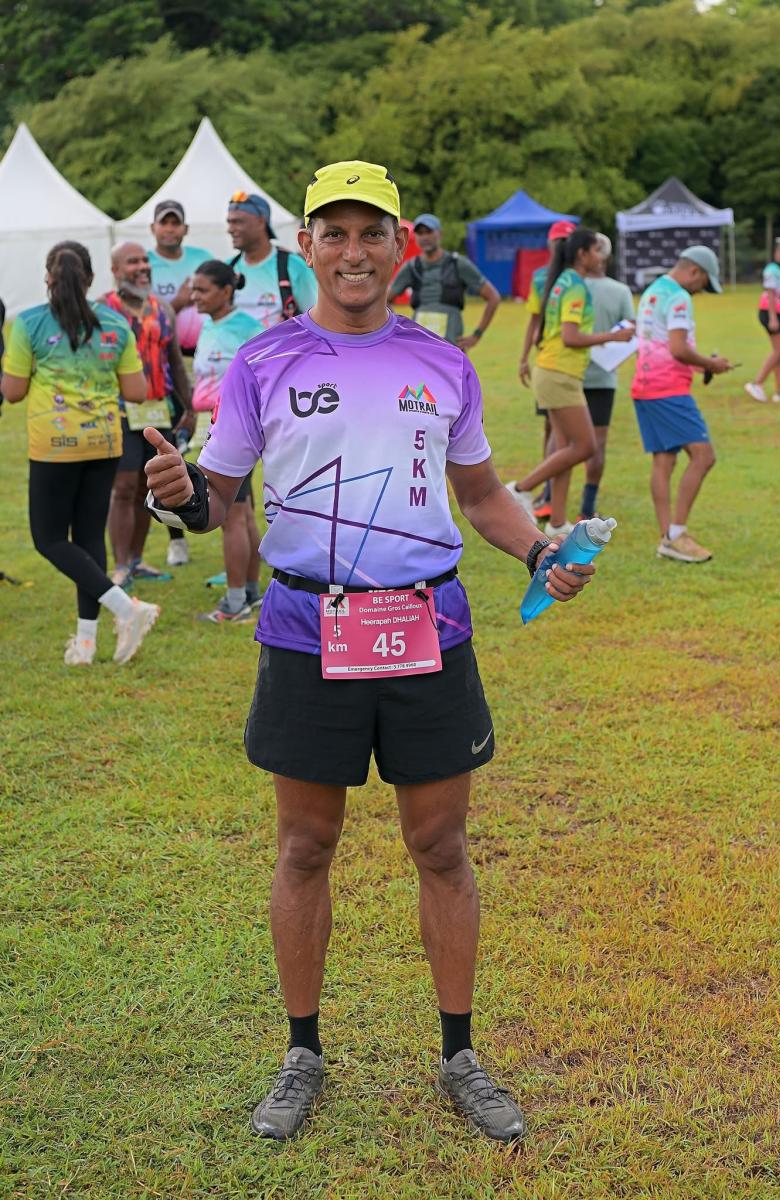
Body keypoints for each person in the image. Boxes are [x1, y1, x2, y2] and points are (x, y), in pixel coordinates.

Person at [143, 159, 597, 1144]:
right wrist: (178, 495)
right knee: (305, 845)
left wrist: (538, 549)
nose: (354, 252)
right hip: (306, 631)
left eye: (371, 233)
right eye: (335, 233)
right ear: (306, 246)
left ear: (401, 246)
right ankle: (301, 1052)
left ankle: (459, 1055)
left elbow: (481, 495)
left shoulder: (443, 364)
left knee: (441, 846)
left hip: (427, 627)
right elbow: (218, 497)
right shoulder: (263, 361)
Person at [0, 242, 159, 664]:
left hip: (54, 447)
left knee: (49, 539)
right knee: (89, 538)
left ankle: (127, 609)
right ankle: (85, 644)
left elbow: (12, 392)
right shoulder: (116, 324)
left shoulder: (29, 324)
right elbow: (136, 391)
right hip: (105, 442)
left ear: (47, 278)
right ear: (90, 278)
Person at [503, 227, 634, 537]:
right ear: (582, 254)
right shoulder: (575, 286)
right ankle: (519, 489)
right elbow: (570, 337)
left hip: (553, 371)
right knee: (585, 445)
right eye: (596, 250)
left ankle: (558, 520)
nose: (601, 256)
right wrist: (613, 336)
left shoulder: (561, 280)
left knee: (564, 448)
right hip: (559, 374)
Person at [631, 245, 732, 563]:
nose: (700, 291)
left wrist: (700, 365)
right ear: (694, 271)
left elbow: (659, 343)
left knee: (664, 460)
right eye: (703, 283)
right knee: (704, 456)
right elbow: (677, 348)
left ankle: (667, 538)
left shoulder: (652, 291)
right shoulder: (679, 297)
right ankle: (677, 534)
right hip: (668, 389)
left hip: (645, 385)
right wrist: (711, 364)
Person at [100, 242, 194, 582]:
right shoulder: (102, 309)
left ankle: (136, 561)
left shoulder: (162, 309)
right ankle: (120, 567)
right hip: (119, 412)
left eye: (144, 260)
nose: (142, 266)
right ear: (115, 270)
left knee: (147, 487)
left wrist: (189, 406)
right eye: (132, 262)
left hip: (158, 413)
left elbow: (175, 363)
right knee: (123, 487)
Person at [189, 260, 263, 622]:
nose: (194, 296)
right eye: (193, 289)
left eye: (202, 290)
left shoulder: (249, 329)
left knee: (231, 515)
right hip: (212, 427)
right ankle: (249, 592)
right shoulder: (208, 325)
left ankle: (234, 604)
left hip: (234, 430)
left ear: (226, 291)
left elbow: (264, 377)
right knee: (243, 513)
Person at [513, 220, 575, 518]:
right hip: (559, 363)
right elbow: (535, 321)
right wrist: (524, 357)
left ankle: (547, 493)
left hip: (547, 361)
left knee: (553, 429)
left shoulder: (542, 276)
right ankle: (545, 493)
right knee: (560, 434)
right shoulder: (571, 278)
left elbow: (533, 322)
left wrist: (524, 357)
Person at [579, 233, 636, 521]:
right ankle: (587, 507)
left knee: (563, 442)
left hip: (571, 374)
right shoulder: (621, 291)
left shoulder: (571, 287)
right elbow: (631, 330)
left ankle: (550, 499)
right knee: (597, 443)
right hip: (604, 377)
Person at [388, 213, 500, 349]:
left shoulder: (458, 263)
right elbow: (384, 299)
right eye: (420, 233)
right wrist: (400, 329)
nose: (425, 237)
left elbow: (493, 297)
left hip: (450, 348)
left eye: (429, 232)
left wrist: (476, 335)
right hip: (419, 348)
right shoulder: (411, 267)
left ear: (440, 234)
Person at [226, 192, 317, 327]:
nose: (230, 230)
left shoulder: (293, 266)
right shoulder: (228, 268)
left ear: (261, 221)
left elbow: (316, 320)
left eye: (238, 222)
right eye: (229, 222)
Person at [147, 199, 212, 355]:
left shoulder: (203, 257)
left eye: (175, 223)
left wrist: (201, 296)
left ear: (186, 229)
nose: (169, 229)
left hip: (205, 350)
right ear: (152, 228)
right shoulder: (143, 263)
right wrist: (179, 301)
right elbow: (143, 318)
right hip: (161, 351)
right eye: (163, 223)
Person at [744, 238, 780, 403]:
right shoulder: (771, 270)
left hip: (779, 313)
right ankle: (756, 383)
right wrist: (773, 318)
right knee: (779, 350)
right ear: (775, 253)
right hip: (769, 313)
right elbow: (770, 294)